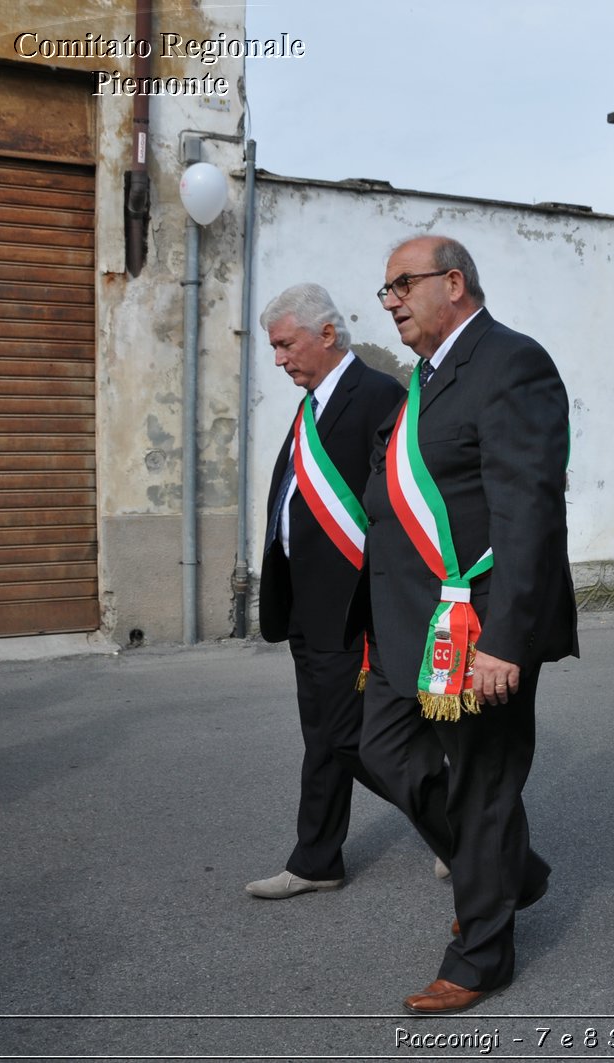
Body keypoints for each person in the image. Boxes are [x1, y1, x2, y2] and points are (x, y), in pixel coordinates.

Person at [358, 236, 578, 1013]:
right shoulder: (423, 377)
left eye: (401, 285)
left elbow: (528, 510)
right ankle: (510, 869)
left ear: (453, 282)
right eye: (385, 289)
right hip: (406, 625)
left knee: (484, 785)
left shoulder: (510, 362)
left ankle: (482, 953)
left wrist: (506, 641)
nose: (389, 301)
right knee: (375, 746)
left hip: (477, 624)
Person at [245, 283, 415, 900]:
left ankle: (463, 827)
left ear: (326, 334)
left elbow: (400, 504)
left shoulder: (379, 396)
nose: (279, 358)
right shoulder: (315, 401)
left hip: (351, 605)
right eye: (274, 346)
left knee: (348, 738)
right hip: (306, 602)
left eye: (286, 344)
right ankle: (318, 860)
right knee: (323, 736)